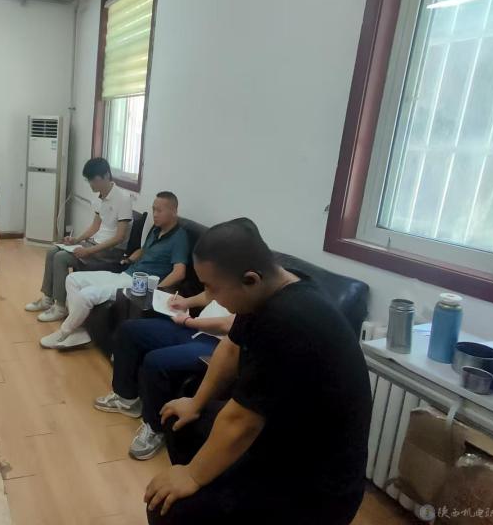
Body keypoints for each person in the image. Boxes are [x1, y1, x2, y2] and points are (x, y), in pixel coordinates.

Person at [143, 218, 371, 525]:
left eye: (212, 288)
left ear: (250, 279)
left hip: (315, 484)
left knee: (167, 509)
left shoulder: (286, 320)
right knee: (179, 421)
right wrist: (195, 403)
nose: (209, 296)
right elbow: (231, 348)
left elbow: (242, 421)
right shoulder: (272, 289)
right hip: (281, 433)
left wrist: (193, 476)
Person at [40, 192, 189, 350]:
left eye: (159, 210)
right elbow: (143, 250)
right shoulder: (156, 230)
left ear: (174, 211)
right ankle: (80, 329)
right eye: (153, 209)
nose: (155, 214)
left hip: (139, 286)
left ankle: (64, 332)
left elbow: (179, 272)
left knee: (86, 295)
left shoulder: (179, 238)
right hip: (126, 274)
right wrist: (129, 260)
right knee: (72, 279)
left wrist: (156, 290)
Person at [93, 292, 234, 460]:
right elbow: (213, 292)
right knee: (129, 330)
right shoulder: (228, 280)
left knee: (156, 361)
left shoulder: (253, 292)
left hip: (220, 344)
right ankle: (126, 399)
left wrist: (188, 321)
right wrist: (186, 302)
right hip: (195, 329)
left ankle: (155, 428)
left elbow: (229, 324)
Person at [25, 157, 133, 322]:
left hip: (111, 251)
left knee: (61, 258)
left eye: (94, 180)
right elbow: (95, 226)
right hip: (95, 244)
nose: (91, 185)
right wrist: (76, 240)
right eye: (89, 180)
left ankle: (60, 307)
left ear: (106, 176)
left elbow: (119, 237)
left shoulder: (123, 198)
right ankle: (47, 298)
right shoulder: (99, 197)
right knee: (52, 250)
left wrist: (88, 251)